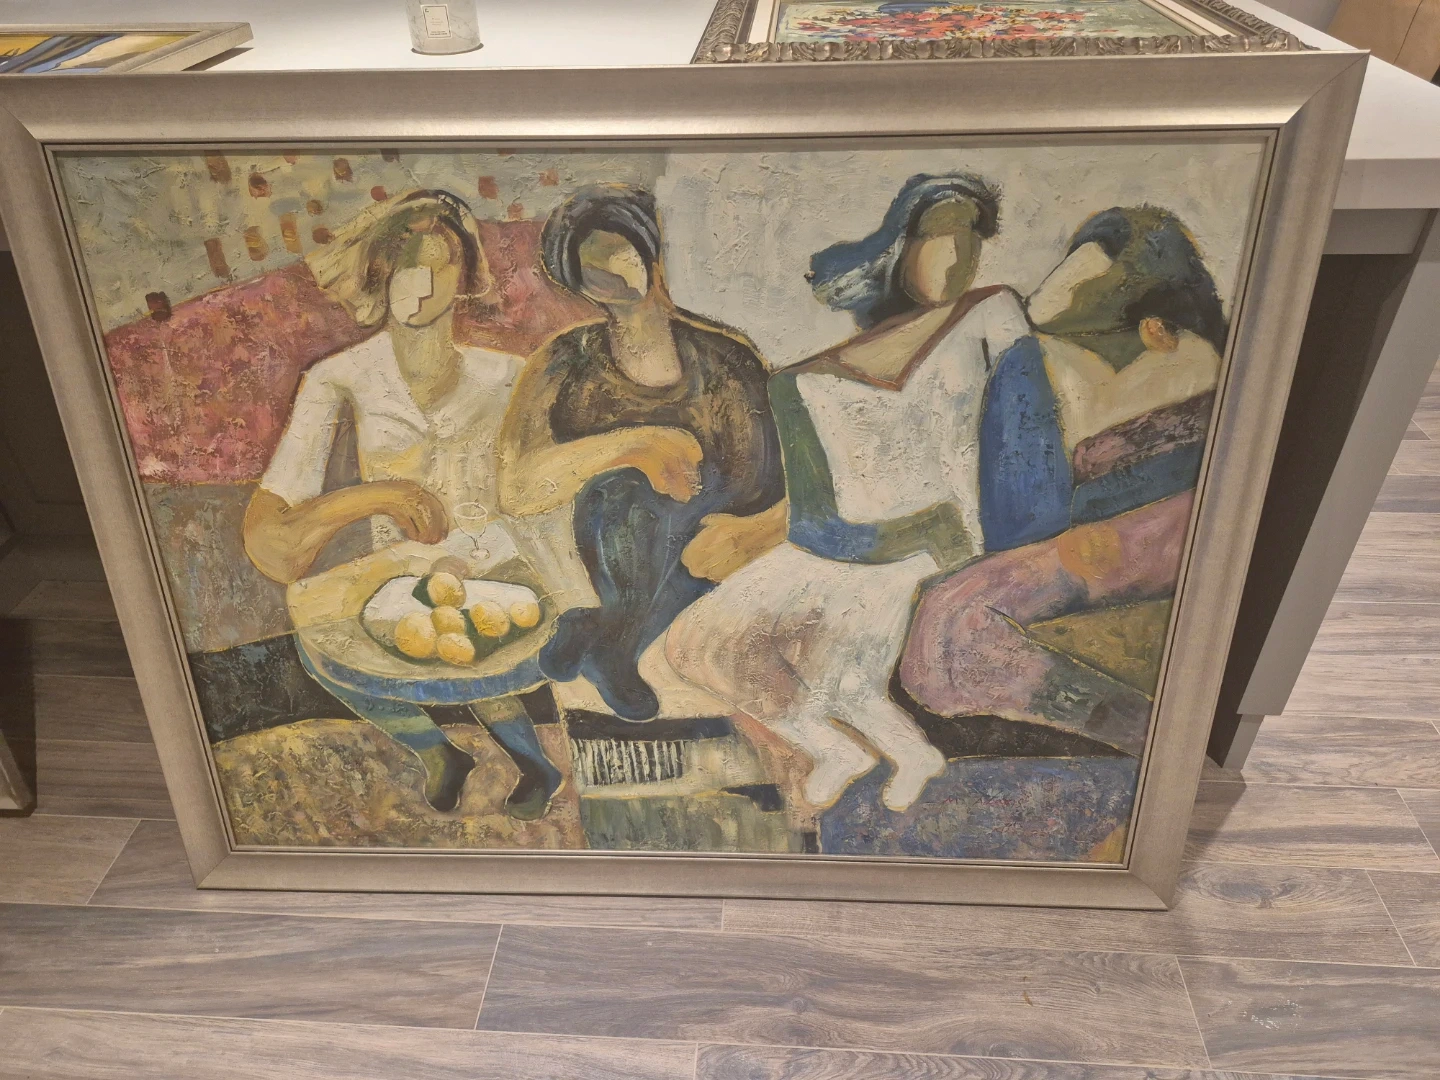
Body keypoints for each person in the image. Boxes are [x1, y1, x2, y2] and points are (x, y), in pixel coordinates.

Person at [667, 173, 1030, 813]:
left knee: (844, 673)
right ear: (900, 245)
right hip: (840, 545)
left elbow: (1018, 441)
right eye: (937, 233)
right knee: (697, 645)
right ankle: (833, 749)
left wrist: (979, 538)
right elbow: (816, 505)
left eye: (970, 235)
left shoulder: (993, 313)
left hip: (929, 543)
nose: (955, 253)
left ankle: (913, 752)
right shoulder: (815, 374)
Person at [243, 189, 571, 818]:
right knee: (320, 636)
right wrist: (379, 497)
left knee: (480, 647)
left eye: (438, 266)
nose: (418, 285)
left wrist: (475, 555)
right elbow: (276, 519)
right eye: (403, 267)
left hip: (501, 559)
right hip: (395, 570)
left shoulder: (509, 375)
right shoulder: (337, 377)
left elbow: (541, 494)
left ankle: (534, 763)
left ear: (464, 278)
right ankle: (436, 751)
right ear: (378, 275)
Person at [496, 183, 784, 723]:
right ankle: (617, 647)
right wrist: (635, 446)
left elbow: (773, 476)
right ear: (574, 277)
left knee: (691, 515)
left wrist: (748, 530)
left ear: (650, 255)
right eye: (592, 264)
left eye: (621, 252)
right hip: (619, 535)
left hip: (711, 540)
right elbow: (517, 488)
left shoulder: (728, 356)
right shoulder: (566, 359)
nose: (611, 272)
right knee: (627, 491)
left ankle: (603, 634)